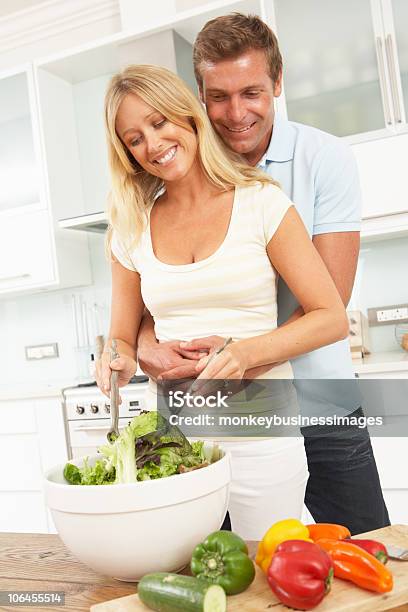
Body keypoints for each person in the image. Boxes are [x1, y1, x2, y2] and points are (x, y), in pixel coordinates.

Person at [135, 13, 390, 534]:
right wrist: (144, 348)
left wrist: (243, 358)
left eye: (251, 92)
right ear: (199, 96)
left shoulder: (325, 160)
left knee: (368, 550)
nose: (235, 114)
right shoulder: (178, 169)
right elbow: (145, 302)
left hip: (321, 404)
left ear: (277, 81)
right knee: (224, 568)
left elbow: (327, 304)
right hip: (213, 418)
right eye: (218, 96)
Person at [96, 63, 349, 539]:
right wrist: (116, 359)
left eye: (159, 122)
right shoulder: (129, 228)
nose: (152, 145)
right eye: (134, 139)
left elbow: (330, 317)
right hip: (178, 441)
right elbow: (122, 338)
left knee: (265, 572)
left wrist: (241, 354)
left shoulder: (261, 202)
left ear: (188, 116)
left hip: (263, 432)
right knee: (187, 579)